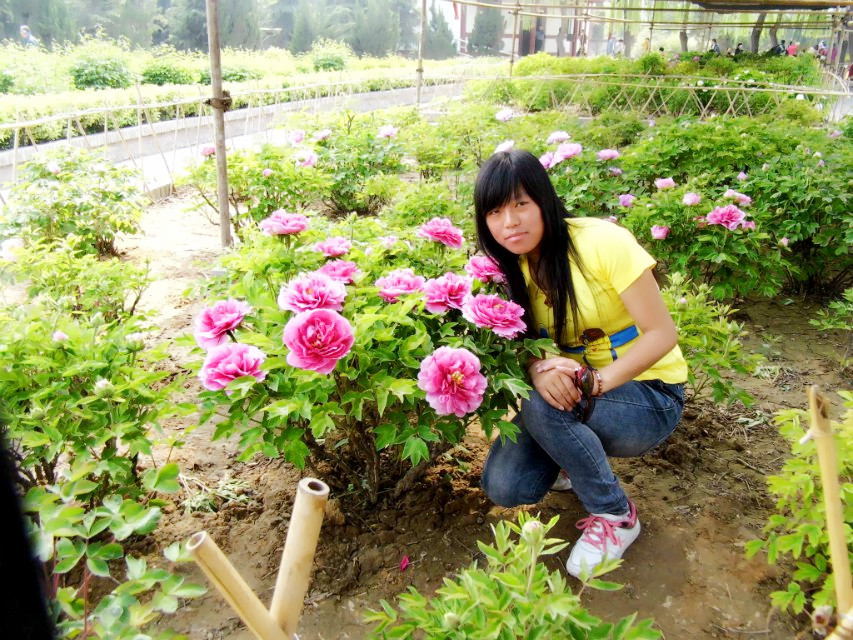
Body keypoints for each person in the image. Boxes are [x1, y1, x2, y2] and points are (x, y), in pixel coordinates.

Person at [475, 149, 687, 578]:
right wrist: (536, 367)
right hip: (569, 394)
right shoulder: (506, 269)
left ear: (544, 200)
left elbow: (662, 334)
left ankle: (615, 515)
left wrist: (594, 382)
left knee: (539, 403)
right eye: (495, 211)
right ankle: (573, 457)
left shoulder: (601, 243)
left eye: (520, 204)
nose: (510, 222)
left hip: (648, 394)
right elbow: (523, 345)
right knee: (505, 486)